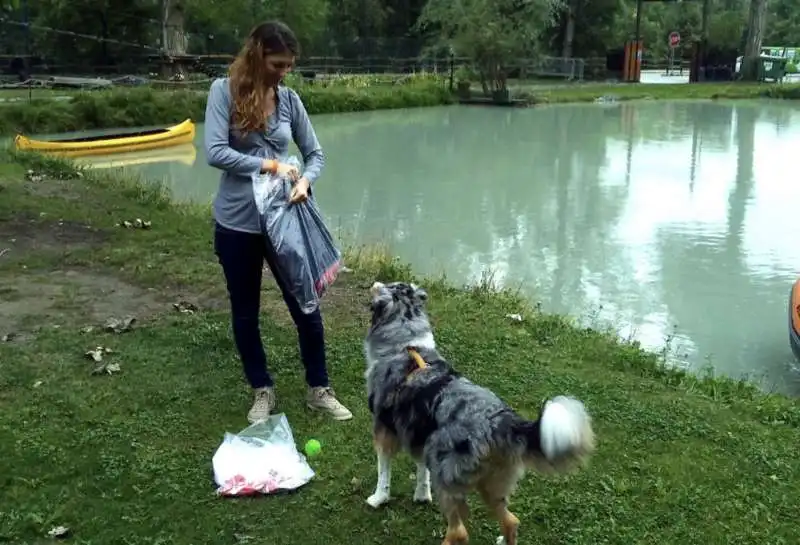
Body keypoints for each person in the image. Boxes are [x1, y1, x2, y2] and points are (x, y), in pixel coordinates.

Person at [203, 20, 352, 423]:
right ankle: (261, 389)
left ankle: (319, 388)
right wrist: (269, 164)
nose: (283, 73)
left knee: (305, 303)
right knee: (245, 309)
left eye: (288, 66)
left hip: (285, 222)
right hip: (238, 224)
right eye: (277, 64)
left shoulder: (289, 100)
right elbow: (215, 151)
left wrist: (304, 179)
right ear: (257, 54)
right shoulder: (224, 92)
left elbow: (315, 154)